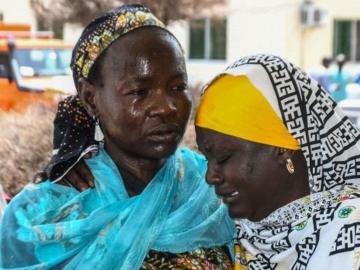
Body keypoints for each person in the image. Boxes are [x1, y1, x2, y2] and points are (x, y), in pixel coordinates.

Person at [0, 4, 234, 269]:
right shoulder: (43, 216)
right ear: (90, 98)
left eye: (178, 87)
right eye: (139, 92)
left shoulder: (211, 188)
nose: (166, 107)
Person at [194, 54, 360, 269]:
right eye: (208, 159)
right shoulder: (227, 242)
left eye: (224, 157)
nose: (211, 176)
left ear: (281, 148)